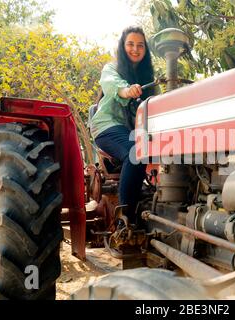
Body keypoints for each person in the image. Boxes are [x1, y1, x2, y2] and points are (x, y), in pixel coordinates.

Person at [89, 26, 156, 223]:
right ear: (122, 46)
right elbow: (111, 84)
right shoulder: (112, 69)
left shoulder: (148, 78)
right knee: (136, 154)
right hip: (107, 126)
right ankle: (124, 220)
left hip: (133, 131)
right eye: (130, 44)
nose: (135, 49)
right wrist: (127, 91)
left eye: (140, 45)